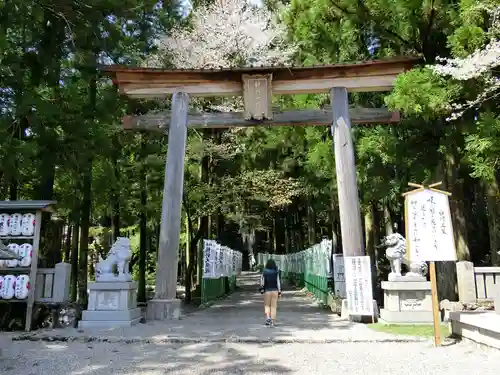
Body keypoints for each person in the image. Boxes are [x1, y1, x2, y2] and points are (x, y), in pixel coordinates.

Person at [260, 258, 282, 326]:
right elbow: (278, 282)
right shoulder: (276, 271)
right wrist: (279, 291)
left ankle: (268, 318)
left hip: (267, 290)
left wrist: (262, 288)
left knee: (267, 305)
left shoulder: (264, 271)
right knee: (273, 306)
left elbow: (262, 281)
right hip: (275, 290)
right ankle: (273, 321)